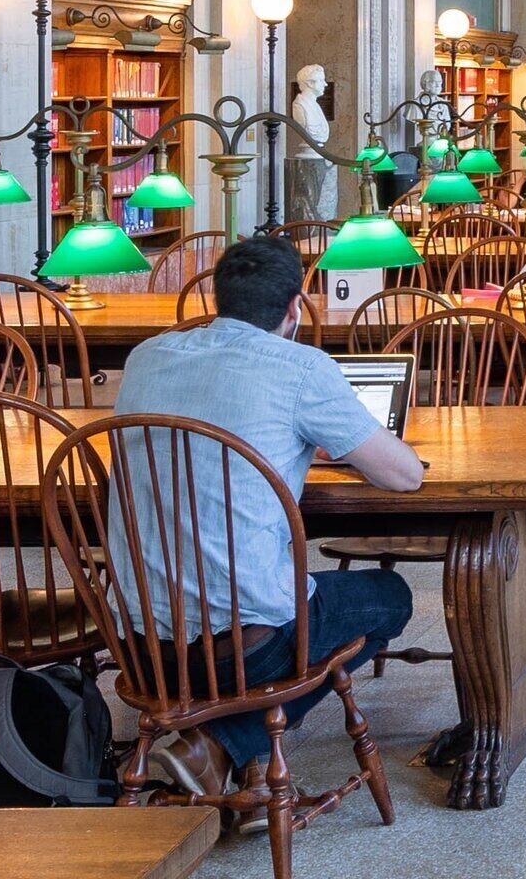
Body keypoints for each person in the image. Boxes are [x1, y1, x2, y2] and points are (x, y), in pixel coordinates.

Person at [110, 237, 426, 786]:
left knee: (257, 571)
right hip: (244, 650)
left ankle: (237, 762)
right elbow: (404, 475)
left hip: (143, 646)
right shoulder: (301, 368)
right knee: (390, 598)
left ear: (217, 299)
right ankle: (221, 745)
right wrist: (340, 443)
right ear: (294, 307)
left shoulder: (147, 356)